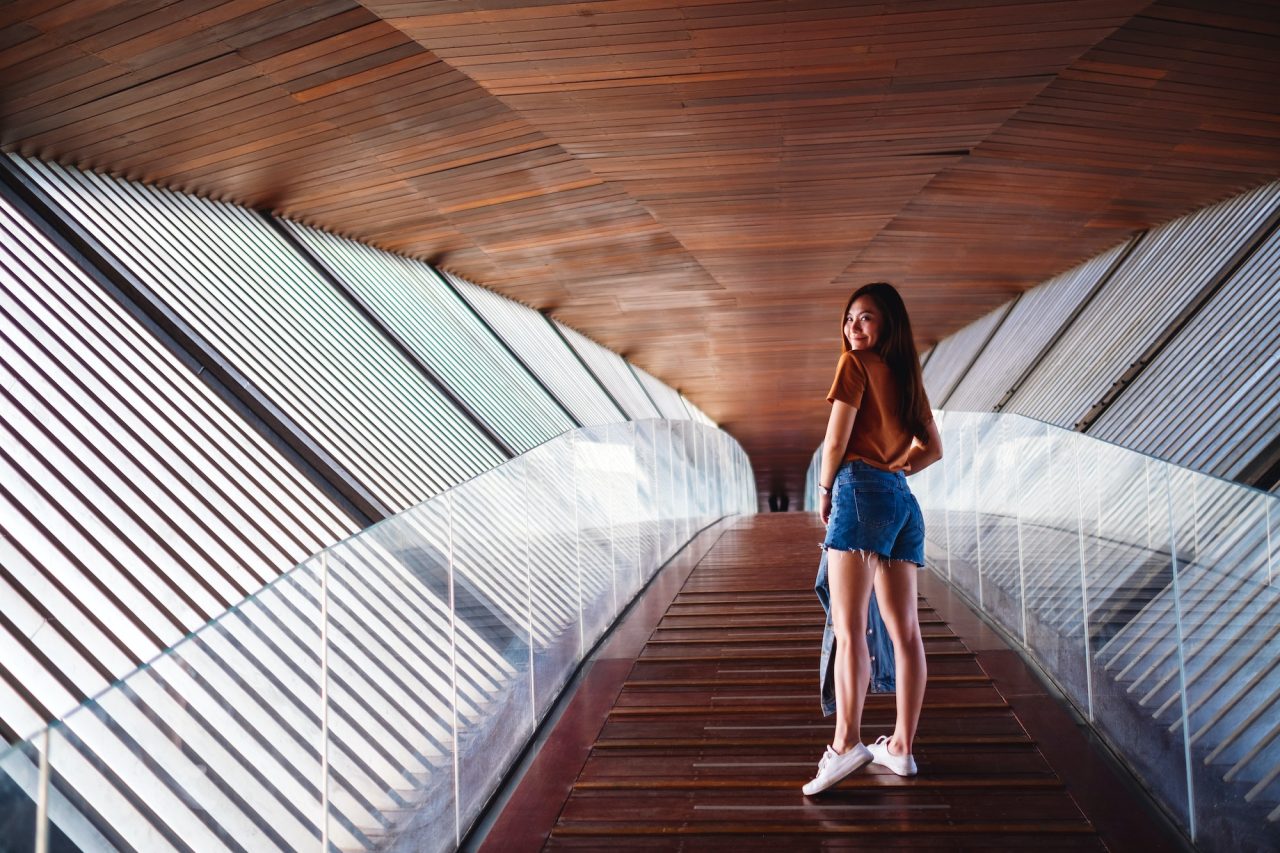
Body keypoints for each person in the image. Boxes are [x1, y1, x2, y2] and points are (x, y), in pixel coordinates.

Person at [802, 282, 943, 796]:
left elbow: (836, 438)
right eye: (849, 319)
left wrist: (824, 490)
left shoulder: (854, 366)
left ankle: (846, 746)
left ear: (888, 325)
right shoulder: (908, 377)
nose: (853, 328)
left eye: (866, 319)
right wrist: (895, 469)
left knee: (850, 627)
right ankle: (901, 747)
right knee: (905, 632)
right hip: (901, 500)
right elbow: (933, 449)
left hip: (859, 490)